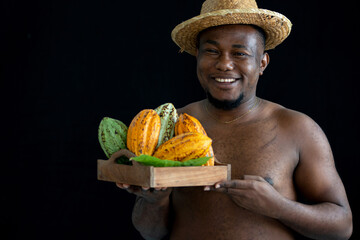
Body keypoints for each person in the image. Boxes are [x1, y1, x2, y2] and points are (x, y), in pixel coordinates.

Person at [116, 0, 353, 239]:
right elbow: (151, 233)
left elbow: (342, 227)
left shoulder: (297, 128)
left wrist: (278, 207)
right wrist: (154, 200)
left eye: (240, 53)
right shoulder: (169, 126)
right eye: (212, 51)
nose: (224, 64)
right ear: (197, 57)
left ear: (262, 63)